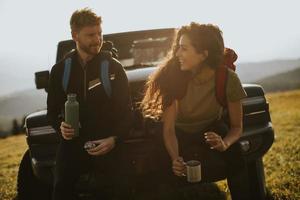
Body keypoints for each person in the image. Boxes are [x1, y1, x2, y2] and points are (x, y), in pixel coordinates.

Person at [141, 22, 250, 199]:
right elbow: (168, 130)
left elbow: (236, 127)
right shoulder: (173, 76)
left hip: (210, 128)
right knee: (159, 165)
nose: (177, 54)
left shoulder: (227, 78)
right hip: (177, 131)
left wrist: (225, 143)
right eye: (178, 48)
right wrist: (176, 159)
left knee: (237, 159)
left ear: (203, 54)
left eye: (183, 49)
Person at [47, 8, 133, 200]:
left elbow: (128, 113)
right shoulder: (60, 70)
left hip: (108, 143)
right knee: (61, 190)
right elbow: (52, 112)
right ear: (74, 35)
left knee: (122, 190)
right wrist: (60, 127)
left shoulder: (114, 68)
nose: (97, 39)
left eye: (100, 33)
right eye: (91, 35)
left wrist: (114, 139)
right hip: (72, 145)